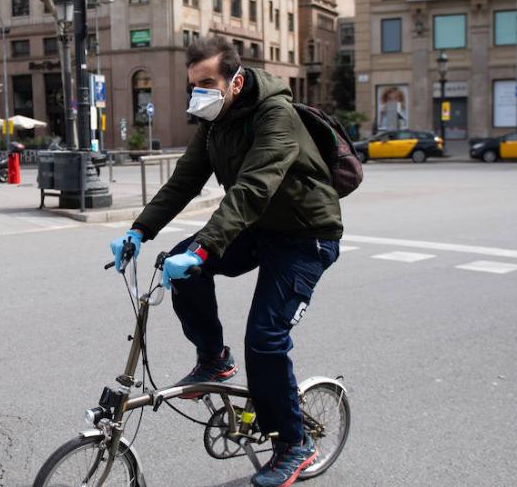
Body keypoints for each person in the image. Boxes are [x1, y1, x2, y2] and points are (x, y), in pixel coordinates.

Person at [111, 37, 343, 487]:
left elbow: (253, 189)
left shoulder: (276, 116)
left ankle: (294, 444)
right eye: (193, 84)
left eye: (207, 83)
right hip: (258, 229)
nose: (199, 92)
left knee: (265, 338)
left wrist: (205, 246)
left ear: (236, 81)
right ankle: (214, 359)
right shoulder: (215, 123)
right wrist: (139, 230)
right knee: (180, 261)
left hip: (305, 238)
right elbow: (183, 183)